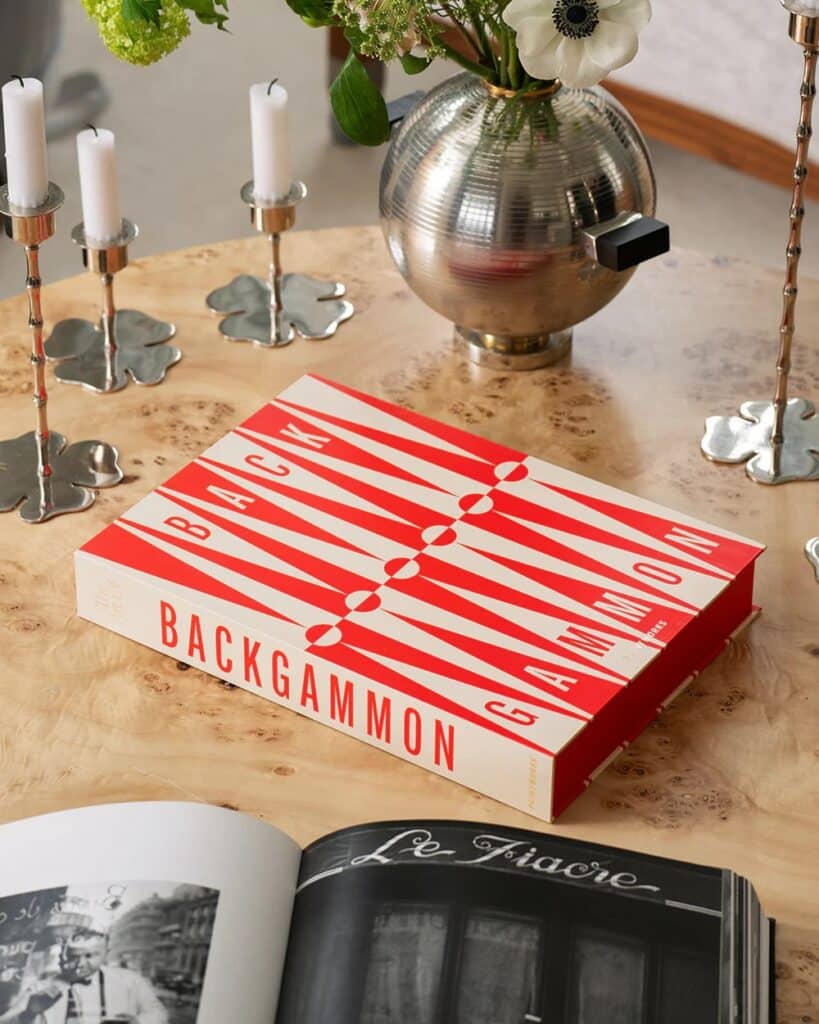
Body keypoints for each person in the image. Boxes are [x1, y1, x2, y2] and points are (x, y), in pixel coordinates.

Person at [0, 929, 168, 1024]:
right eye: (73, 956)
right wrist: (28, 1014)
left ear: (105, 955)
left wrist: (136, 1022)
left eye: (90, 956)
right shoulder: (40, 988)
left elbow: (159, 1013)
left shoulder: (131, 981)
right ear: (62, 955)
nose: (80, 964)